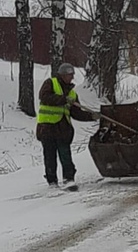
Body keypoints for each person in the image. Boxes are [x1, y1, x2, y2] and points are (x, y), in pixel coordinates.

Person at [36, 62, 98, 190]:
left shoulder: (72, 94)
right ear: (62, 75)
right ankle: (52, 180)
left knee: (65, 155)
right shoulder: (50, 84)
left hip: (62, 130)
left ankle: (69, 179)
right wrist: (63, 99)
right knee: (49, 156)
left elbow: (76, 113)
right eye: (70, 75)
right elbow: (44, 97)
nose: (72, 77)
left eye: (72, 75)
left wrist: (91, 116)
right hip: (47, 128)